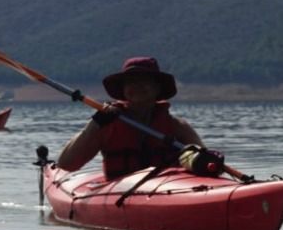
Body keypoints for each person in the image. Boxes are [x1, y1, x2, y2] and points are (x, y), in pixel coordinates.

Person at [56, 56, 224, 179]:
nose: (137, 86)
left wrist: (209, 159)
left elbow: (207, 166)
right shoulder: (106, 123)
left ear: (157, 88)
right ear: (123, 89)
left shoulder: (177, 127)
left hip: (169, 188)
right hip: (120, 191)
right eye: (131, 82)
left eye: (145, 81)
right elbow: (67, 164)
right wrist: (95, 123)